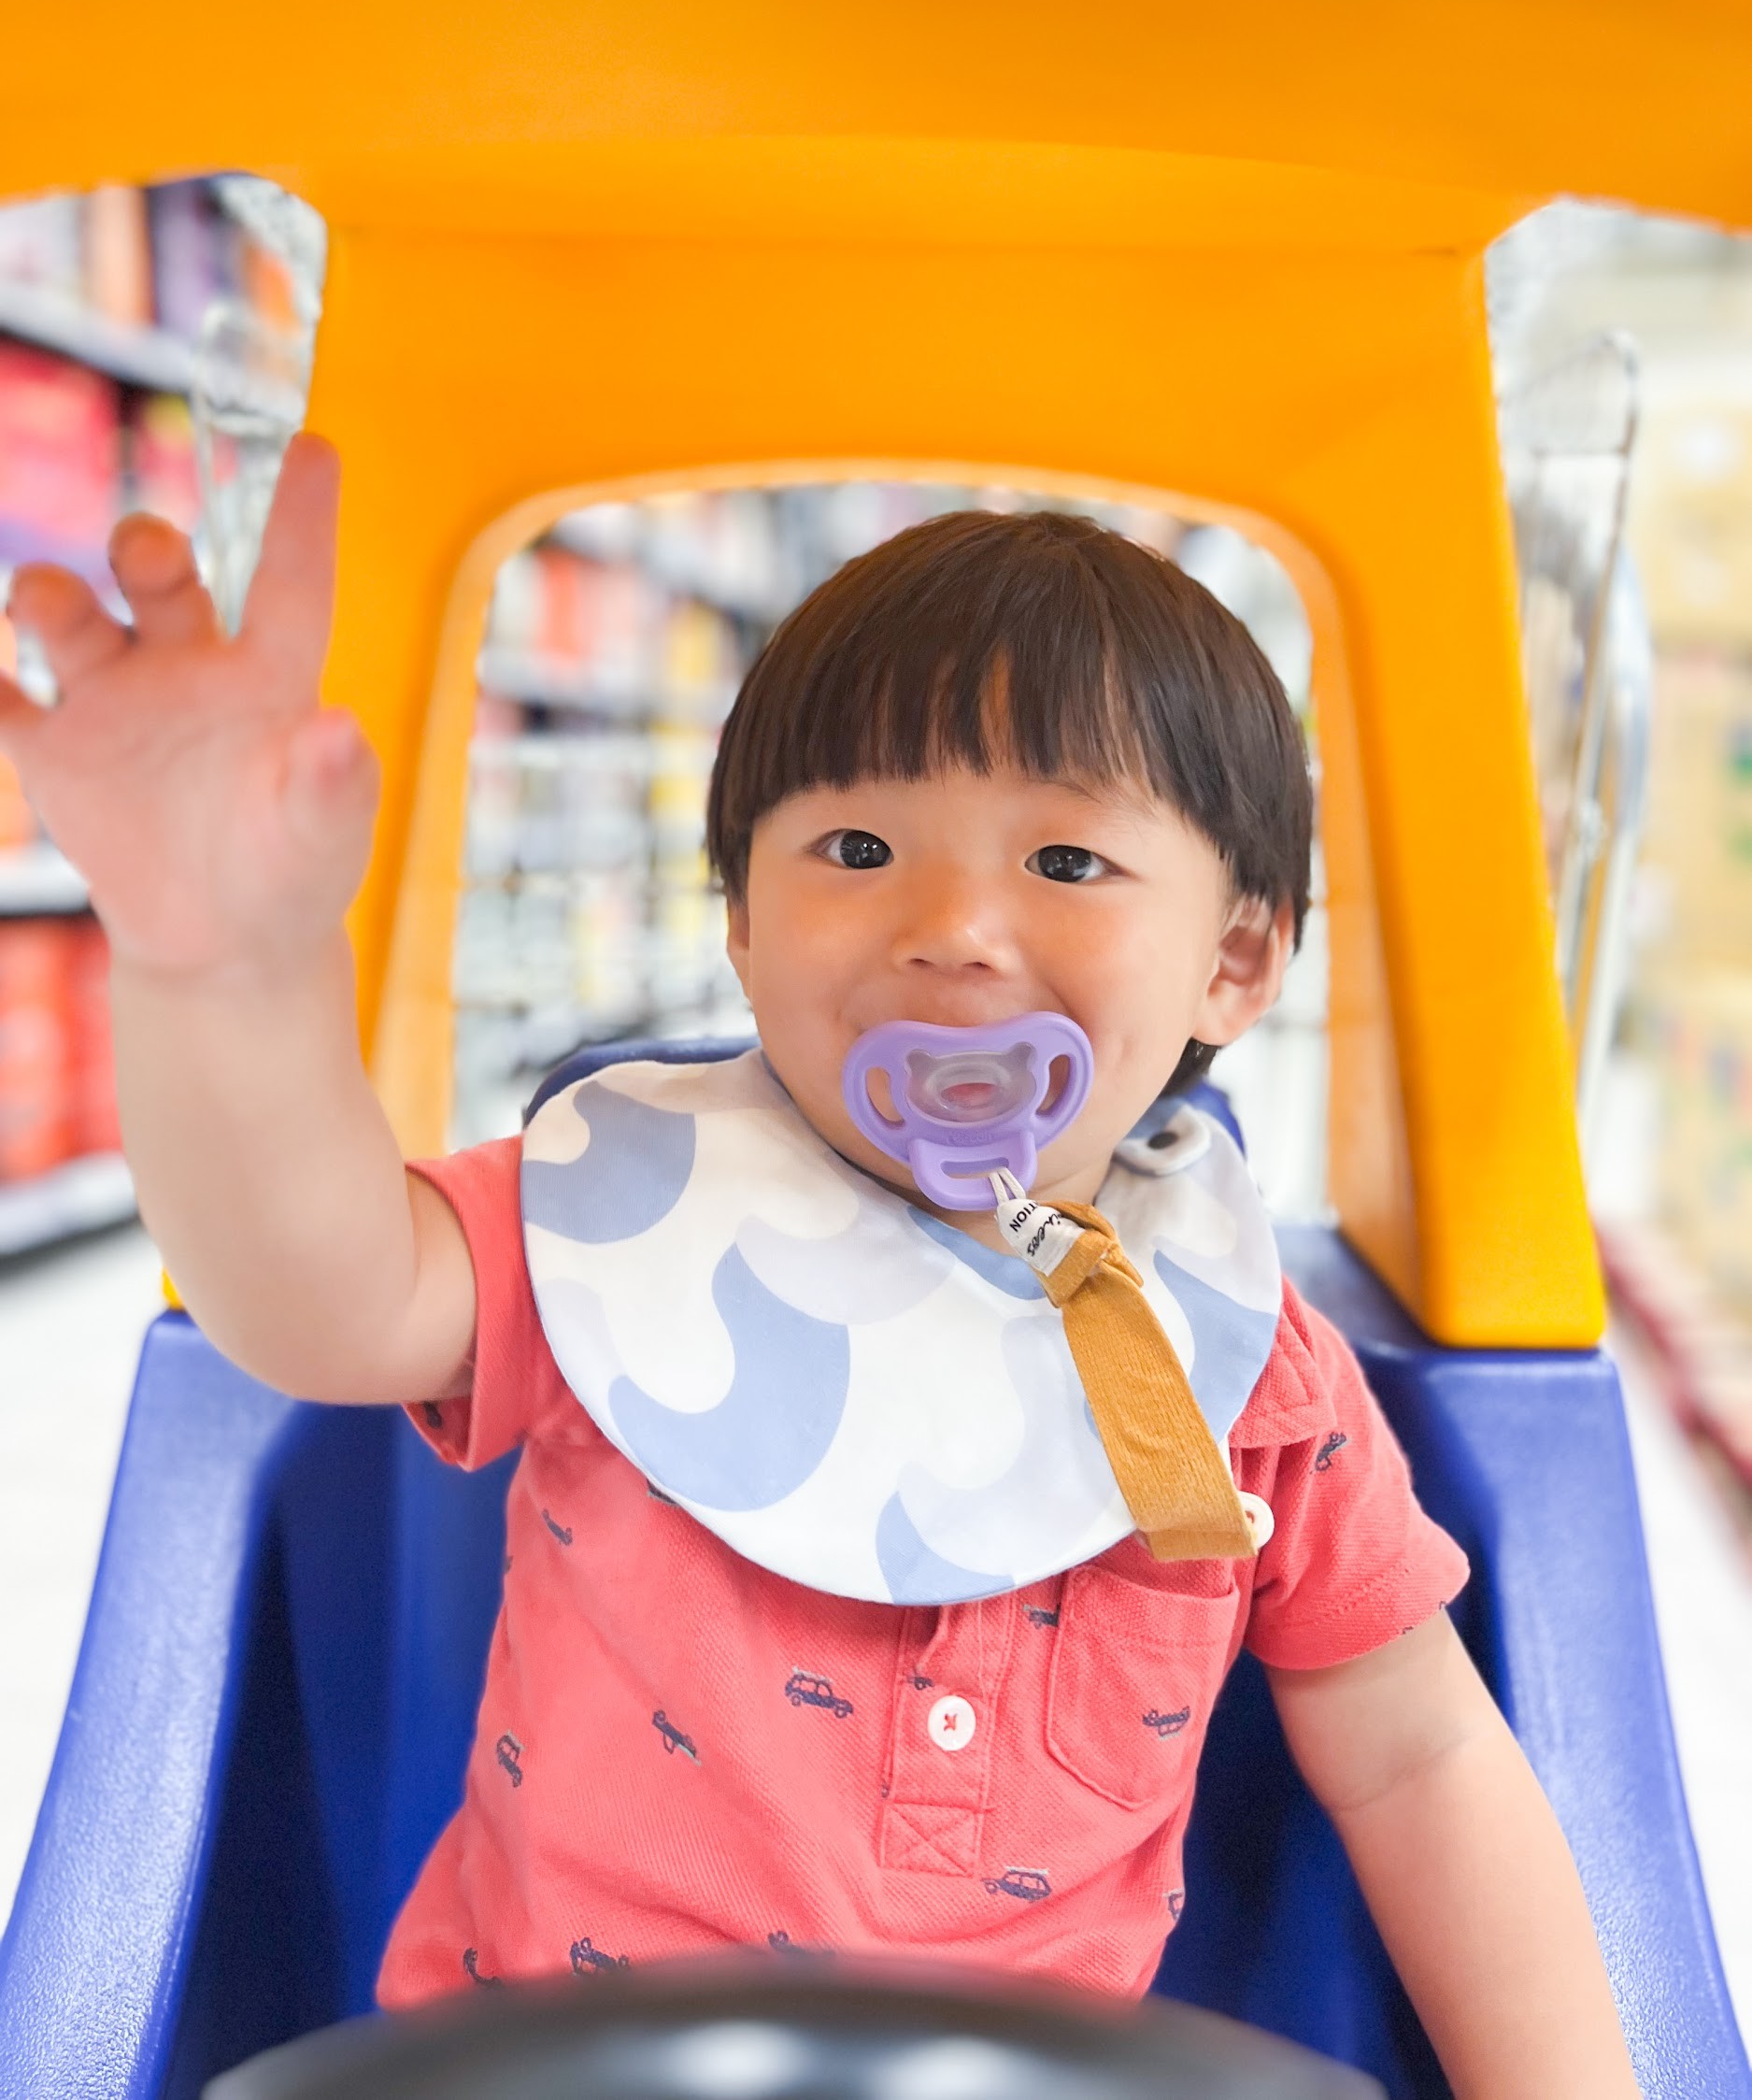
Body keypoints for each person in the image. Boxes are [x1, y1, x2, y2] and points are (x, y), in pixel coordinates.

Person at [0, 436, 1639, 2099]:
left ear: (1234, 957)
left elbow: (1427, 1760)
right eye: (854, 851)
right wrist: (221, 971)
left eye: (1065, 862)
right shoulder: (622, 1224)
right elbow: (313, 1296)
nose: (950, 925)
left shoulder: (1254, 1377)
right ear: (741, 923)